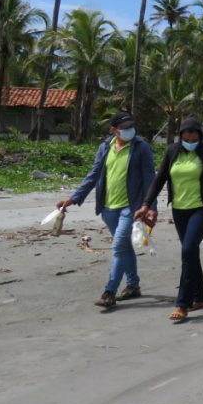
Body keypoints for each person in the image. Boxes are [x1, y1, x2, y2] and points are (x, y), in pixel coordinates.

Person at [57, 112, 155, 309]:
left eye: (131, 127)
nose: (129, 131)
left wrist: (150, 207)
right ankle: (133, 285)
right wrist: (74, 198)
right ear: (114, 130)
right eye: (124, 127)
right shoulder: (105, 147)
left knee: (118, 246)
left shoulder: (141, 148)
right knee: (124, 247)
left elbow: (149, 179)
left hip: (131, 207)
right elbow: (93, 175)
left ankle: (109, 292)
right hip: (108, 207)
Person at [137, 116, 203, 321]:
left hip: (202, 208)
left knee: (187, 250)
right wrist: (145, 205)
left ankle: (182, 303)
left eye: (194, 135)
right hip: (179, 209)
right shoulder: (172, 152)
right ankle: (199, 296)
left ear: (200, 135)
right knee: (190, 253)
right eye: (186, 135)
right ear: (180, 136)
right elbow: (159, 179)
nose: (190, 138)